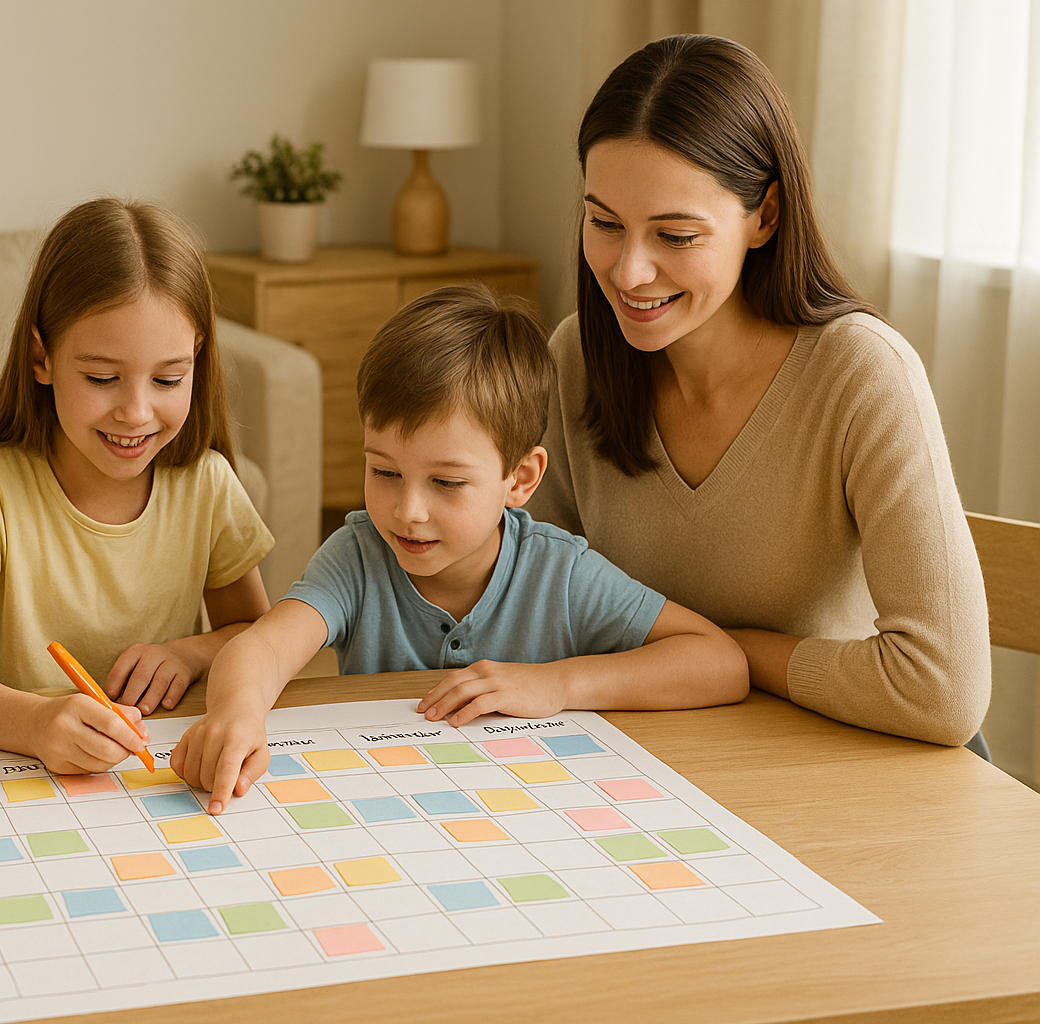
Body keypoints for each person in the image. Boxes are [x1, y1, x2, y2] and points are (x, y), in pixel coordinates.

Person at [528, 34, 990, 747]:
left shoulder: (862, 376)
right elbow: (533, 608)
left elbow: (943, 692)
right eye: (604, 223)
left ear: (765, 217)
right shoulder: (577, 358)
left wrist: (722, 656)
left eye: (676, 235)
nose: (628, 273)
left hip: (837, 767)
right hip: (641, 761)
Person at [172, 284, 749, 812]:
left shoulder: (560, 572)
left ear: (520, 479)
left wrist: (560, 683)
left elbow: (719, 664)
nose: (408, 511)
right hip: (383, 807)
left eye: (447, 483)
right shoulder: (357, 558)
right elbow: (261, 650)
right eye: (385, 471)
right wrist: (236, 714)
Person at [0, 198, 274, 773]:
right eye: (102, 378)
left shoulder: (206, 484)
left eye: (168, 378)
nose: (136, 412)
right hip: (9, 778)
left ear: (198, 359)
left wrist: (191, 653)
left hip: (149, 783)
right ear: (41, 357)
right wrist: (35, 723)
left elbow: (256, 634)